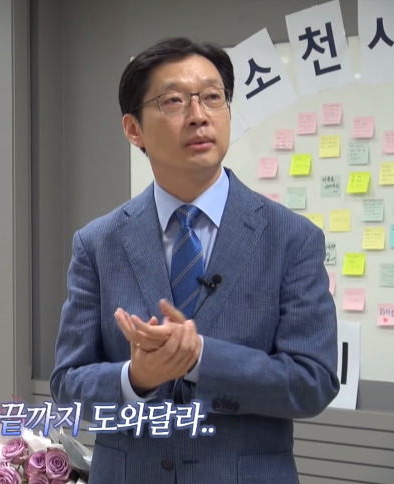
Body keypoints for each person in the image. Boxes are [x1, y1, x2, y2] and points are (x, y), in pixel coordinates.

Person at [50, 38, 339, 484]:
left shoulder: (291, 238)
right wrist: (135, 378)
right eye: (173, 101)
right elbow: (67, 385)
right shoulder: (97, 243)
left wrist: (201, 358)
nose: (199, 115)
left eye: (212, 97)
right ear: (133, 129)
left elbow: (313, 381)